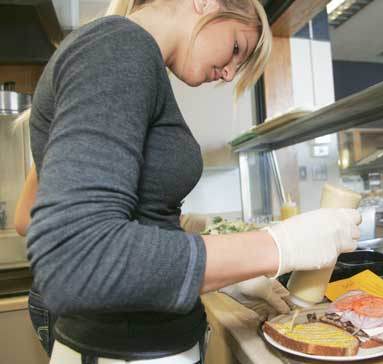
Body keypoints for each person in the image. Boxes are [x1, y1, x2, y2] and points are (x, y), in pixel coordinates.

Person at [18, 0, 361, 362]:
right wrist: (278, 245)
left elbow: (130, 226)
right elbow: (77, 256)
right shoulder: (117, 46)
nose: (229, 75)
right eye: (235, 49)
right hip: (124, 350)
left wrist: (227, 275)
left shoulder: (131, 57)